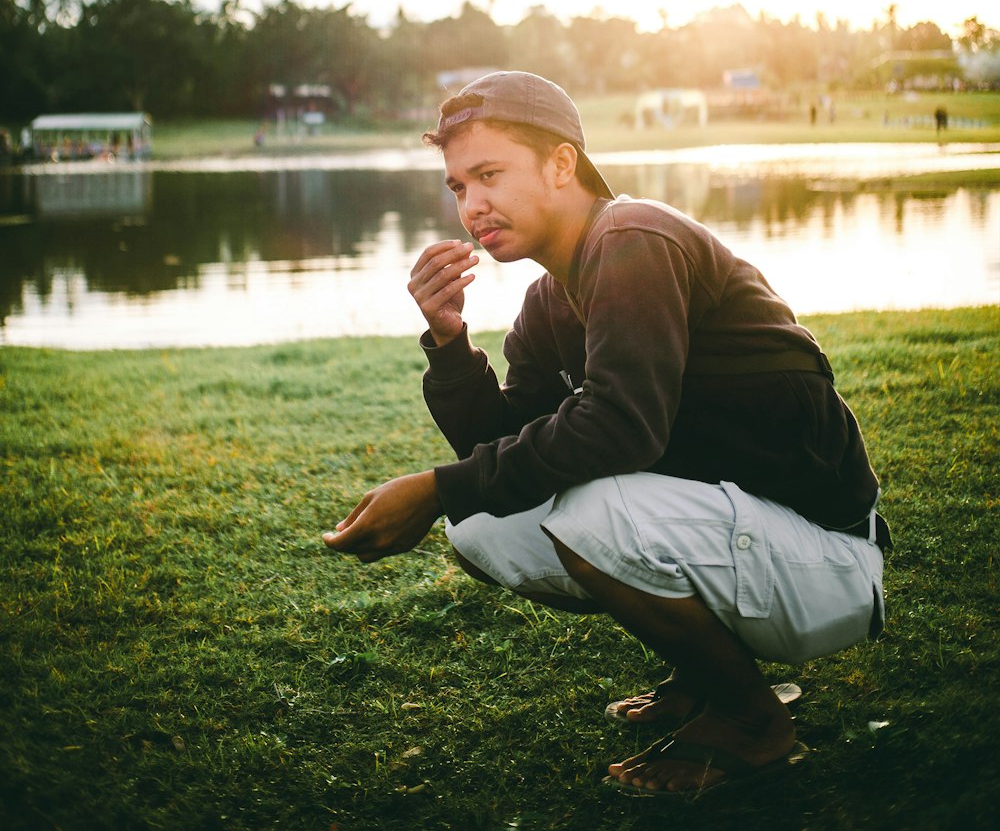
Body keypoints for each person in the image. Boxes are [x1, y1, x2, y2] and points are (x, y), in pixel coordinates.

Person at [323, 70, 890, 797]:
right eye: (458, 187)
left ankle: (752, 723)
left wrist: (436, 489)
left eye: (489, 174)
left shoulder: (634, 239)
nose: (472, 205)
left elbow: (622, 426)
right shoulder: (549, 300)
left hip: (831, 562)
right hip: (747, 541)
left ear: (562, 165)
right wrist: (449, 341)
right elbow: (502, 444)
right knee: (483, 528)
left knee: (591, 513)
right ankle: (705, 676)